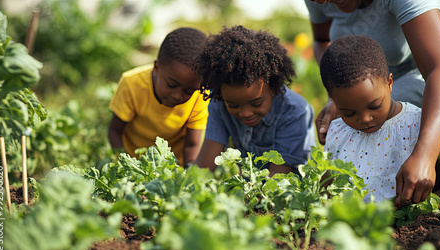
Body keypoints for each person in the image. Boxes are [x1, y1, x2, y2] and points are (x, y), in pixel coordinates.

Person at [304, 0, 440, 207]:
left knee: (385, 119)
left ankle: (414, 190)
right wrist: (339, 97)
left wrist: (425, 157)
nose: (325, 2)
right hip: (371, 82)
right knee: (359, 116)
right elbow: (322, 40)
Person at [194, 25, 316, 176]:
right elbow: (205, 165)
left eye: (256, 103)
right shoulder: (219, 103)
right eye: (233, 105)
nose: (245, 113)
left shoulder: (295, 111)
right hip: (250, 191)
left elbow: (278, 180)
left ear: (273, 88)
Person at [321, 34, 421, 203]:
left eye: (374, 106)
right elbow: (327, 185)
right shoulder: (338, 132)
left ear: (389, 83)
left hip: (407, 222)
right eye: (349, 113)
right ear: (334, 102)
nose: (365, 118)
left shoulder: (415, 122)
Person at [108, 27, 209, 166]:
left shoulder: (201, 94)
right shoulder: (132, 84)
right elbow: (115, 131)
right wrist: (126, 165)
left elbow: (192, 145)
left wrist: (188, 173)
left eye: (188, 91)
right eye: (172, 85)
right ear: (156, 67)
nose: (177, 95)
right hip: (134, 164)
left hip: (171, 169)